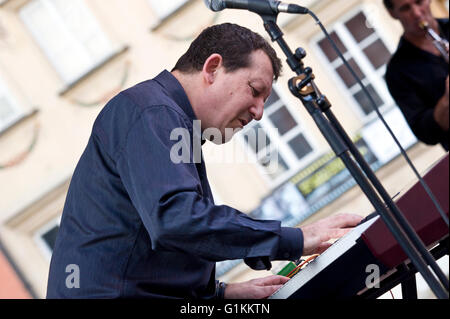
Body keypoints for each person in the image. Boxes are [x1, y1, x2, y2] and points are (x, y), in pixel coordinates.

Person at [46, 23, 363, 299]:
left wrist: (220, 293)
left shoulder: (164, 117)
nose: (258, 112)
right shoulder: (153, 113)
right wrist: (296, 238)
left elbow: (144, 245)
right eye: (254, 91)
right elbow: (177, 220)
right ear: (213, 68)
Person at [384, 0, 449, 151]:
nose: (417, 13)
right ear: (392, 13)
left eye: (419, 2)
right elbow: (425, 133)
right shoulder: (397, 71)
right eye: (406, 8)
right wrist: (446, 101)